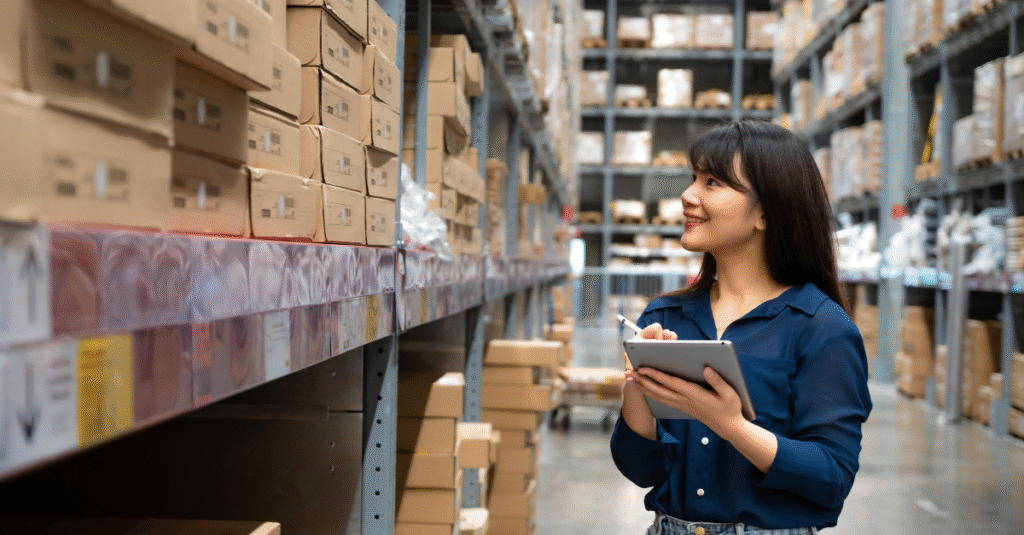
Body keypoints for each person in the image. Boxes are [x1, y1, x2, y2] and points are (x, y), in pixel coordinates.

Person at [610, 120, 873, 535]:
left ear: (766, 212)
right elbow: (640, 469)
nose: (687, 196)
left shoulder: (820, 327)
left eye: (712, 182)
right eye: (693, 178)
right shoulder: (664, 318)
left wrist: (731, 425)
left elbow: (832, 478)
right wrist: (637, 388)